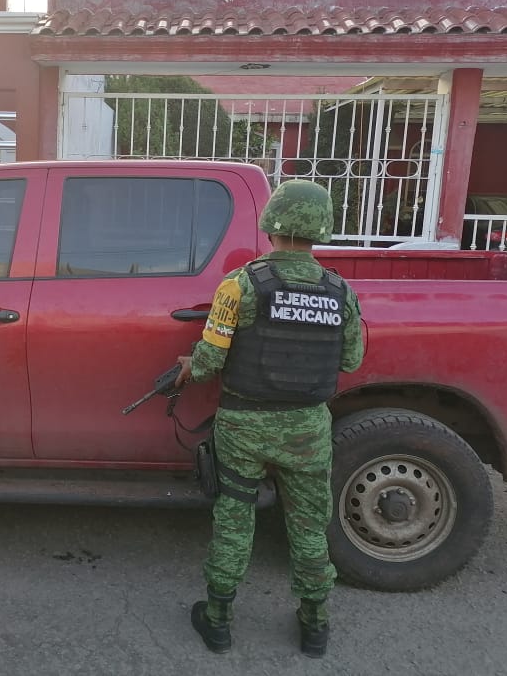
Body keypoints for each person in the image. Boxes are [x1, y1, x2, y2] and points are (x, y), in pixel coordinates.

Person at [174, 179, 365, 658]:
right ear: (321, 229)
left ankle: (218, 621)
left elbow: (209, 362)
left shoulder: (239, 285)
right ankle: (315, 625)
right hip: (306, 431)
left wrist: (188, 367)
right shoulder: (340, 292)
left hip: (244, 428)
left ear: (270, 224)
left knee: (234, 518)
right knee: (309, 525)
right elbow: (351, 360)